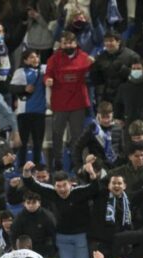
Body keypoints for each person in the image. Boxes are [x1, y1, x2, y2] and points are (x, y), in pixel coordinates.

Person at [22, 162, 98, 258]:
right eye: (58, 186)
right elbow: (32, 185)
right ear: (54, 185)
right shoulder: (52, 192)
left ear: (70, 183)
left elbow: (95, 188)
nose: (62, 189)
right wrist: (26, 171)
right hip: (61, 236)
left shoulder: (79, 192)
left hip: (80, 235)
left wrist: (92, 173)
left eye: (64, 185)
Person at [44, 32, 93, 172]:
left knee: (77, 135)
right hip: (60, 103)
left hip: (78, 103)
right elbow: (48, 73)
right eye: (65, 43)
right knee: (57, 134)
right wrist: (48, 80)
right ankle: (57, 162)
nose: (68, 45)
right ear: (61, 44)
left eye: (71, 43)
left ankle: (76, 163)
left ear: (76, 43)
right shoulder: (54, 59)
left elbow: (92, 75)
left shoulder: (84, 58)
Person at [9, 49, 46, 168]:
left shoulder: (44, 70)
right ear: (25, 60)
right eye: (31, 57)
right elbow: (12, 88)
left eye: (36, 57)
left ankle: (37, 167)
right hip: (24, 112)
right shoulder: (20, 72)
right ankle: (20, 166)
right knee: (23, 142)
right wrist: (24, 88)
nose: (35, 59)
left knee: (38, 142)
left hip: (40, 112)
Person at [90, 31, 138, 105]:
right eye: (106, 41)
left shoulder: (132, 56)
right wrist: (93, 69)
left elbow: (138, 78)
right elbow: (97, 81)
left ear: (118, 42)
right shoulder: (101, 57)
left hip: (127, 97)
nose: (108, 43)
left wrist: (122, 69)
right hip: (107, 97)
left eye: (111, 40)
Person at [10, 191, 57, 258]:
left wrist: (51, 253)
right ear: (24, 204)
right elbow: (13, 234)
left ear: (39, 203)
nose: (31, 205)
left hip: (44, 249)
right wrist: (15, 248)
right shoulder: (19, 217)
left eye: (34, 202)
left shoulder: (47, 216)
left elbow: (53, 235)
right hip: (25, 249)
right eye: (28, 203)